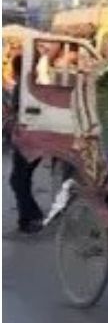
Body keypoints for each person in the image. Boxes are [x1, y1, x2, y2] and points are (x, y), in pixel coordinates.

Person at [7, 52, 44, 234]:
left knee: (18, 180)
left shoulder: (23, 87)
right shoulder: (32, 85)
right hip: (32, 139)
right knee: (21, 179)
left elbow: (19, 112)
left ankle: (30, 217)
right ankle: (29, 216)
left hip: (26, 139)